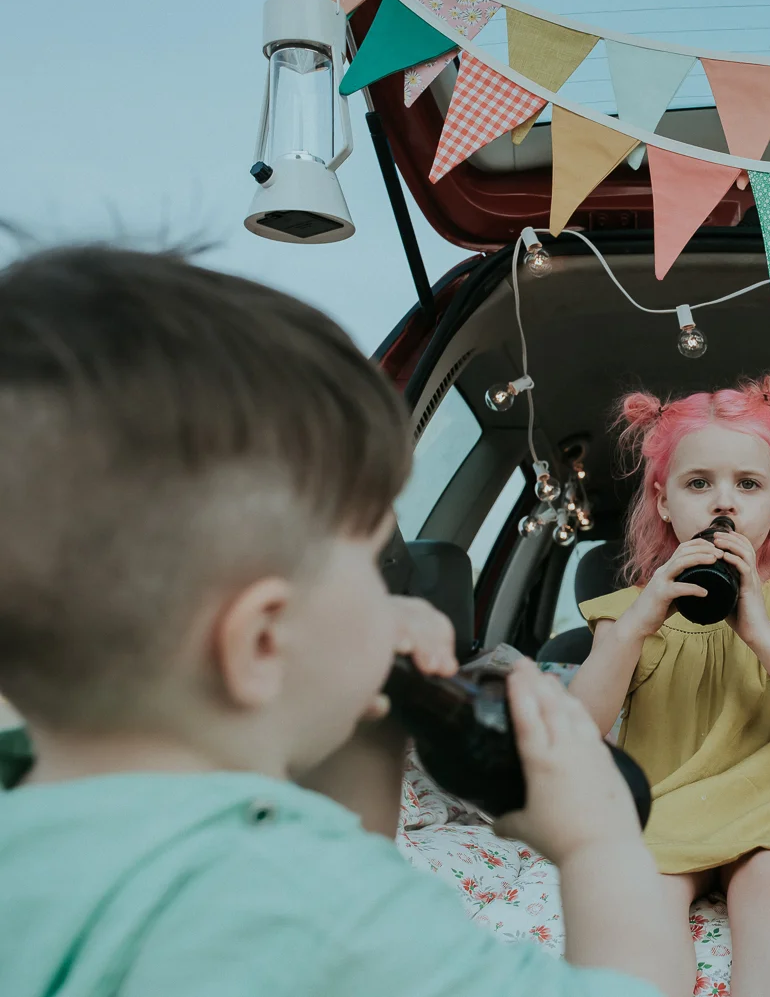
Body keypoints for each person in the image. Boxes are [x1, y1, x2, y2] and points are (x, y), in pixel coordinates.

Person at [0, 246, 679, 997]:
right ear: (263, 640)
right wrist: (598, 842)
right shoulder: (312, 909)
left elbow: (346, 878)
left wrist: (373, 720)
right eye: (373, 558)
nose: (394, 587)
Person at [568, 379, 770, 997]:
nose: (724, 504)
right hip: (665, 811)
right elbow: (577, 733)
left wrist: (759, 629)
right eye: (698, 483)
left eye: (749, 484)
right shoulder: (628, 613)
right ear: (662, 502)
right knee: (640, 899)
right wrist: (637, 625)